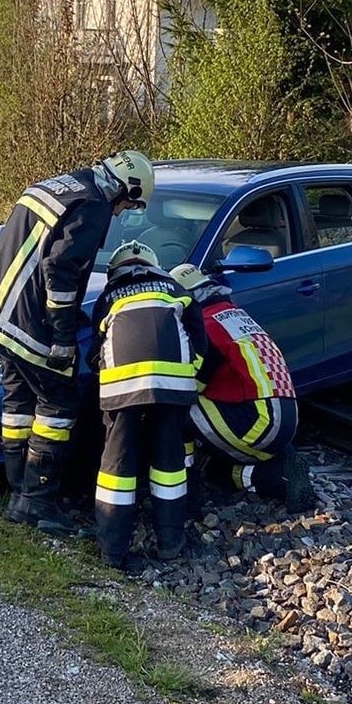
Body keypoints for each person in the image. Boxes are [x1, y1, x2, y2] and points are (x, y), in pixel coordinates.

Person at [0, 151, 154, 531]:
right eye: (129, 203)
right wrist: (63, 336)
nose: (123, 212)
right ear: (127, 187)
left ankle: (18, 495)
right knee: (59, 401)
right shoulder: (94, 206)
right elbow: (59, 267)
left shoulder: (61, 184)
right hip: (29, 321)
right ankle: (38, 502)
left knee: (18, 404)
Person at [86, 241, 208, 571]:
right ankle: (170, 543)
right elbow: (200, 342)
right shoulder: (177, 289)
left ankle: (112, 550)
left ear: (115, 271)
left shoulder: (109, 296)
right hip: (173, 386)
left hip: (122, 388)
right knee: (169, 464)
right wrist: (187, 371)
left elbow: (94, 353)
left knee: (117, 468)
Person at [169, 263, 316, 513]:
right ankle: (279, 464)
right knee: (219, 470)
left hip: (258, 421)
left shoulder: (204, 325)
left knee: (176, 405)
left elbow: (194, 383)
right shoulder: (233, 314)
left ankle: (185, 482)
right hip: (284, 415)